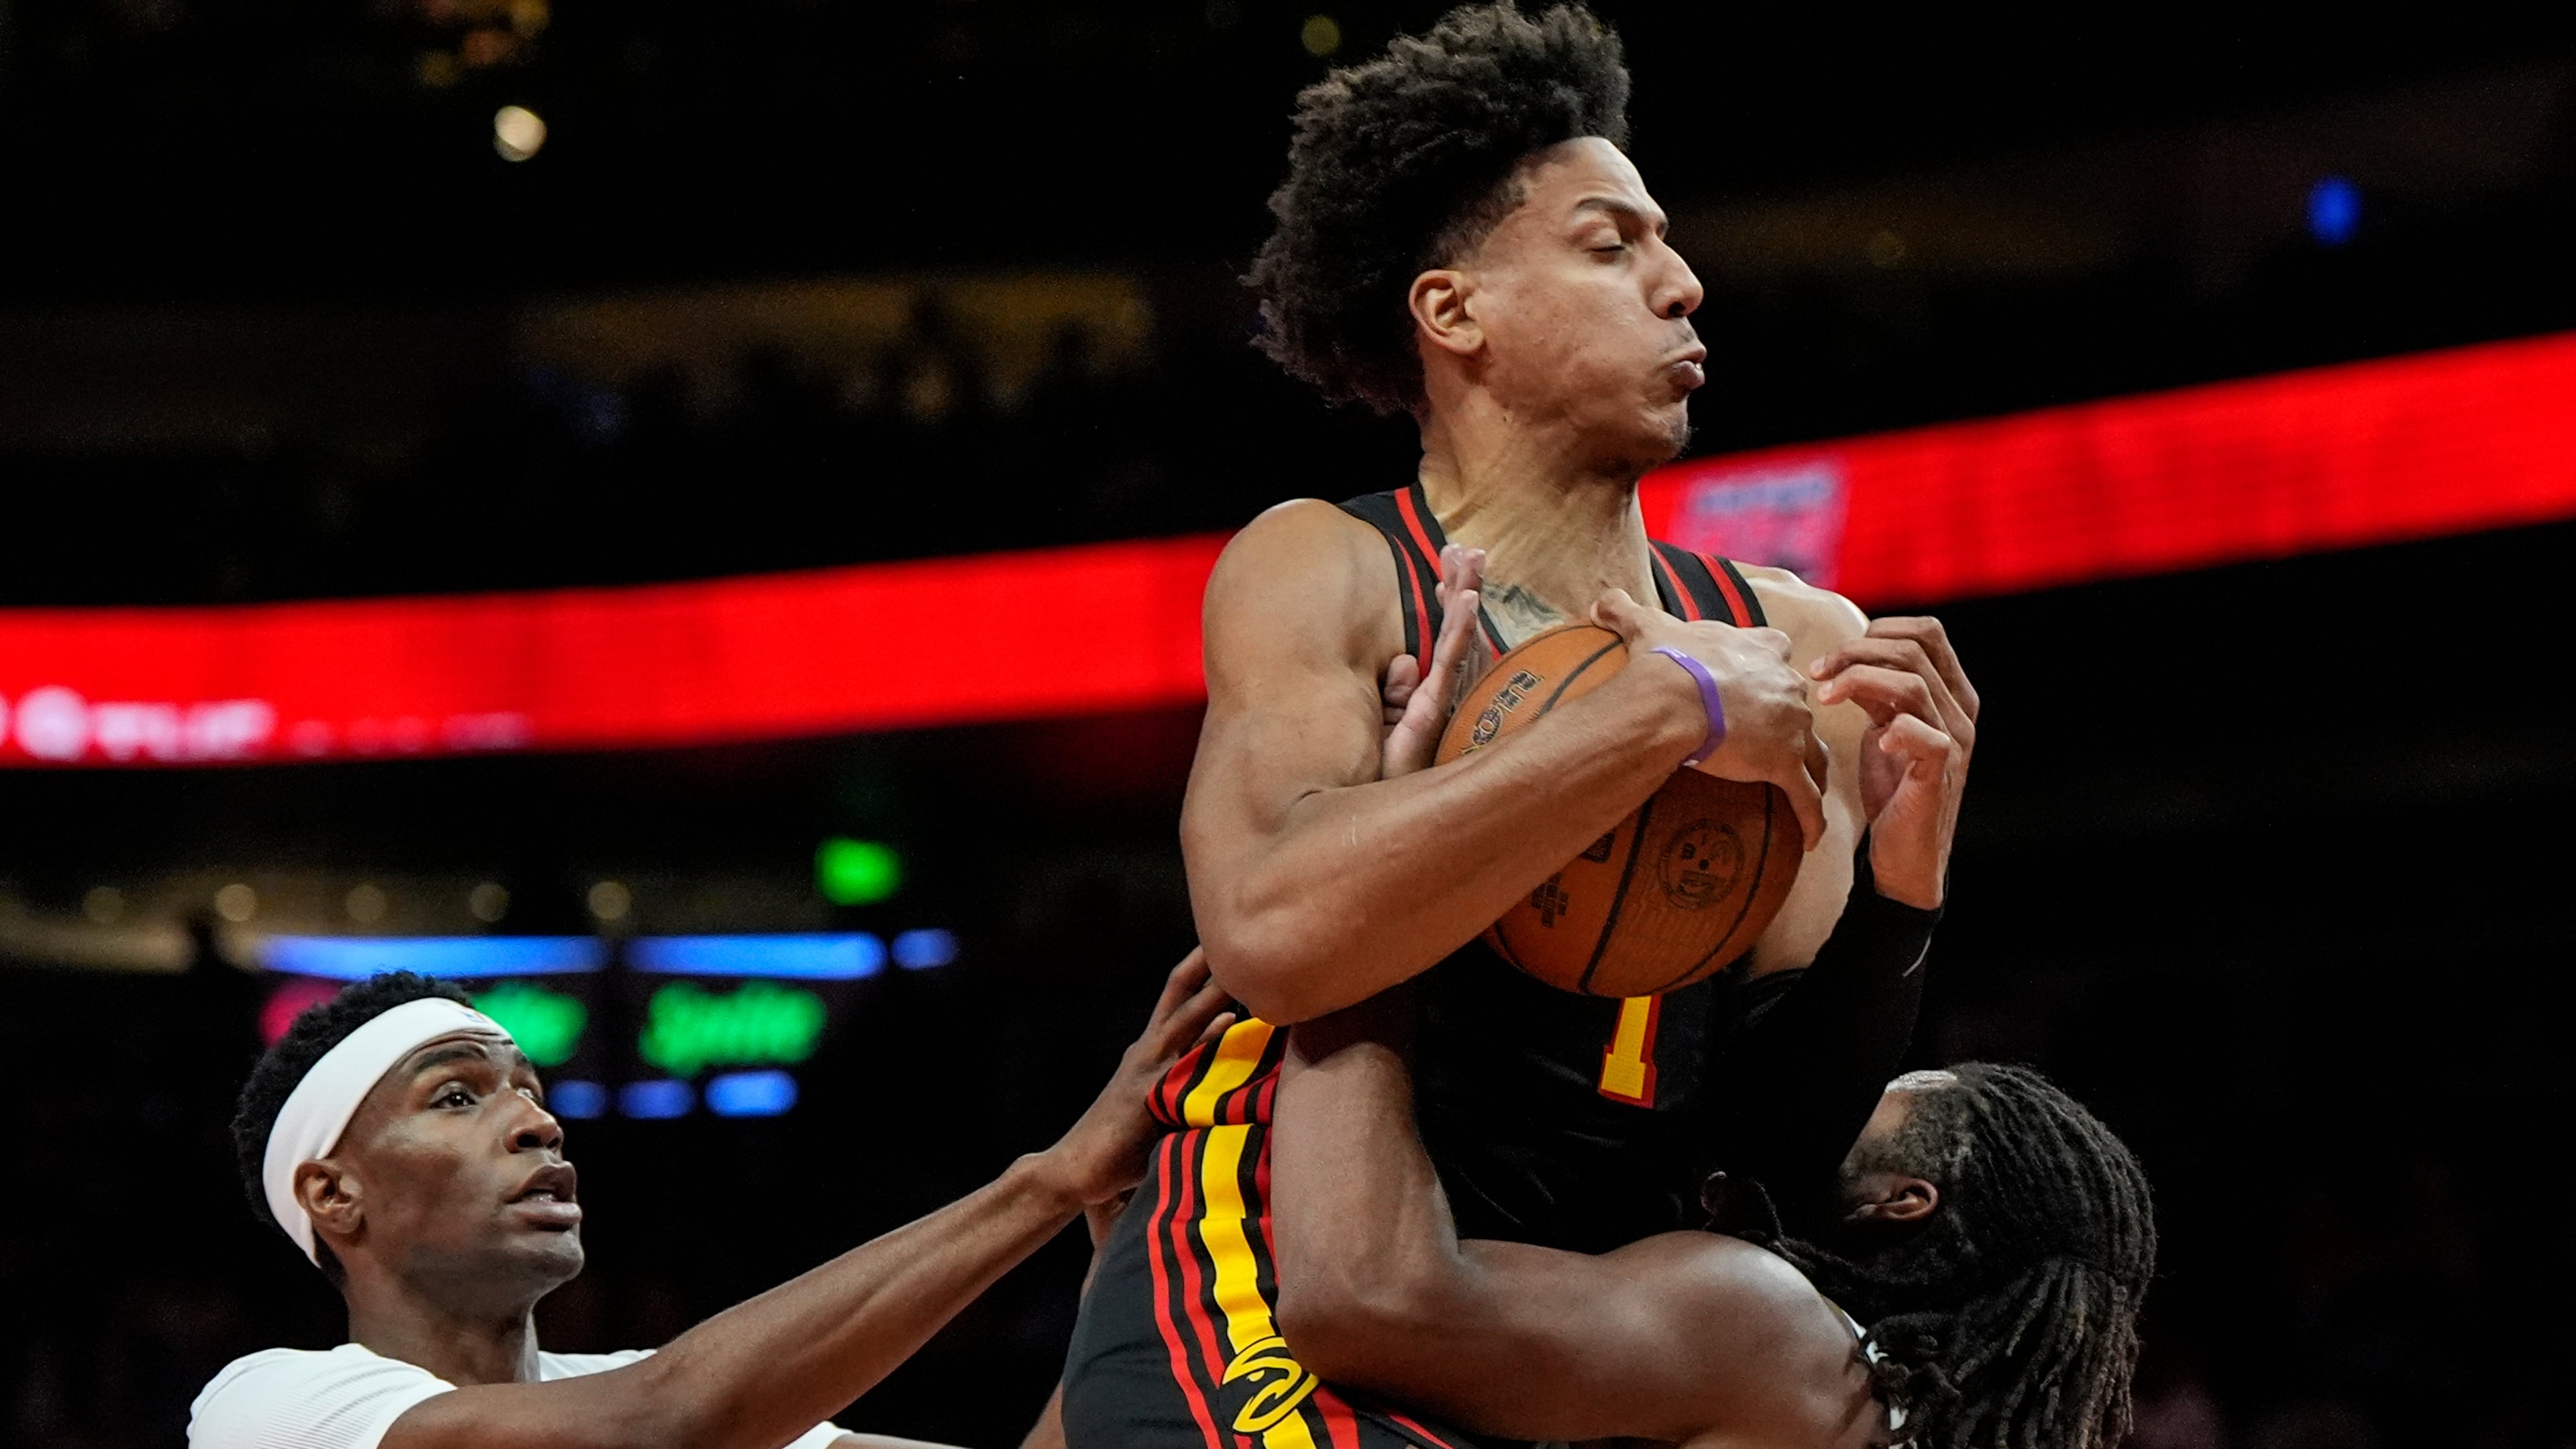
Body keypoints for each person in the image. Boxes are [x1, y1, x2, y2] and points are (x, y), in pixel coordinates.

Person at [1062, 6, 1975, 1446]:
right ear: (1455, 313)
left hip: (1543, 1326)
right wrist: (1660, 714)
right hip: (1267, 1281)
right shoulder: (1332, 568)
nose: (1681, 283)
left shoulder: (1795, 643)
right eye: (1612, 246)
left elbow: (1770, 1156)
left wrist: (1902, 902)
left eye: (1668, 244)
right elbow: (1275, 932)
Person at [190, 955, 1232, 1449]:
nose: (536, 1124)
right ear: (334, 1194)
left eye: (532, 1093)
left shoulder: (648, 1387)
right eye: (458, 1097)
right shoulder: (273, 1408)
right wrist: (1049, 1182)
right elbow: (670, 1423)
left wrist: (1123, 1283)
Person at [1271, 1004, 2157, 1449]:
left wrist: (1351, 969)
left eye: (1885, 1092)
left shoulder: (1777, 1332)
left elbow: (1360, 1299)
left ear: (1901, 1200)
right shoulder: (1875, 1415)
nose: (1843, 1088)